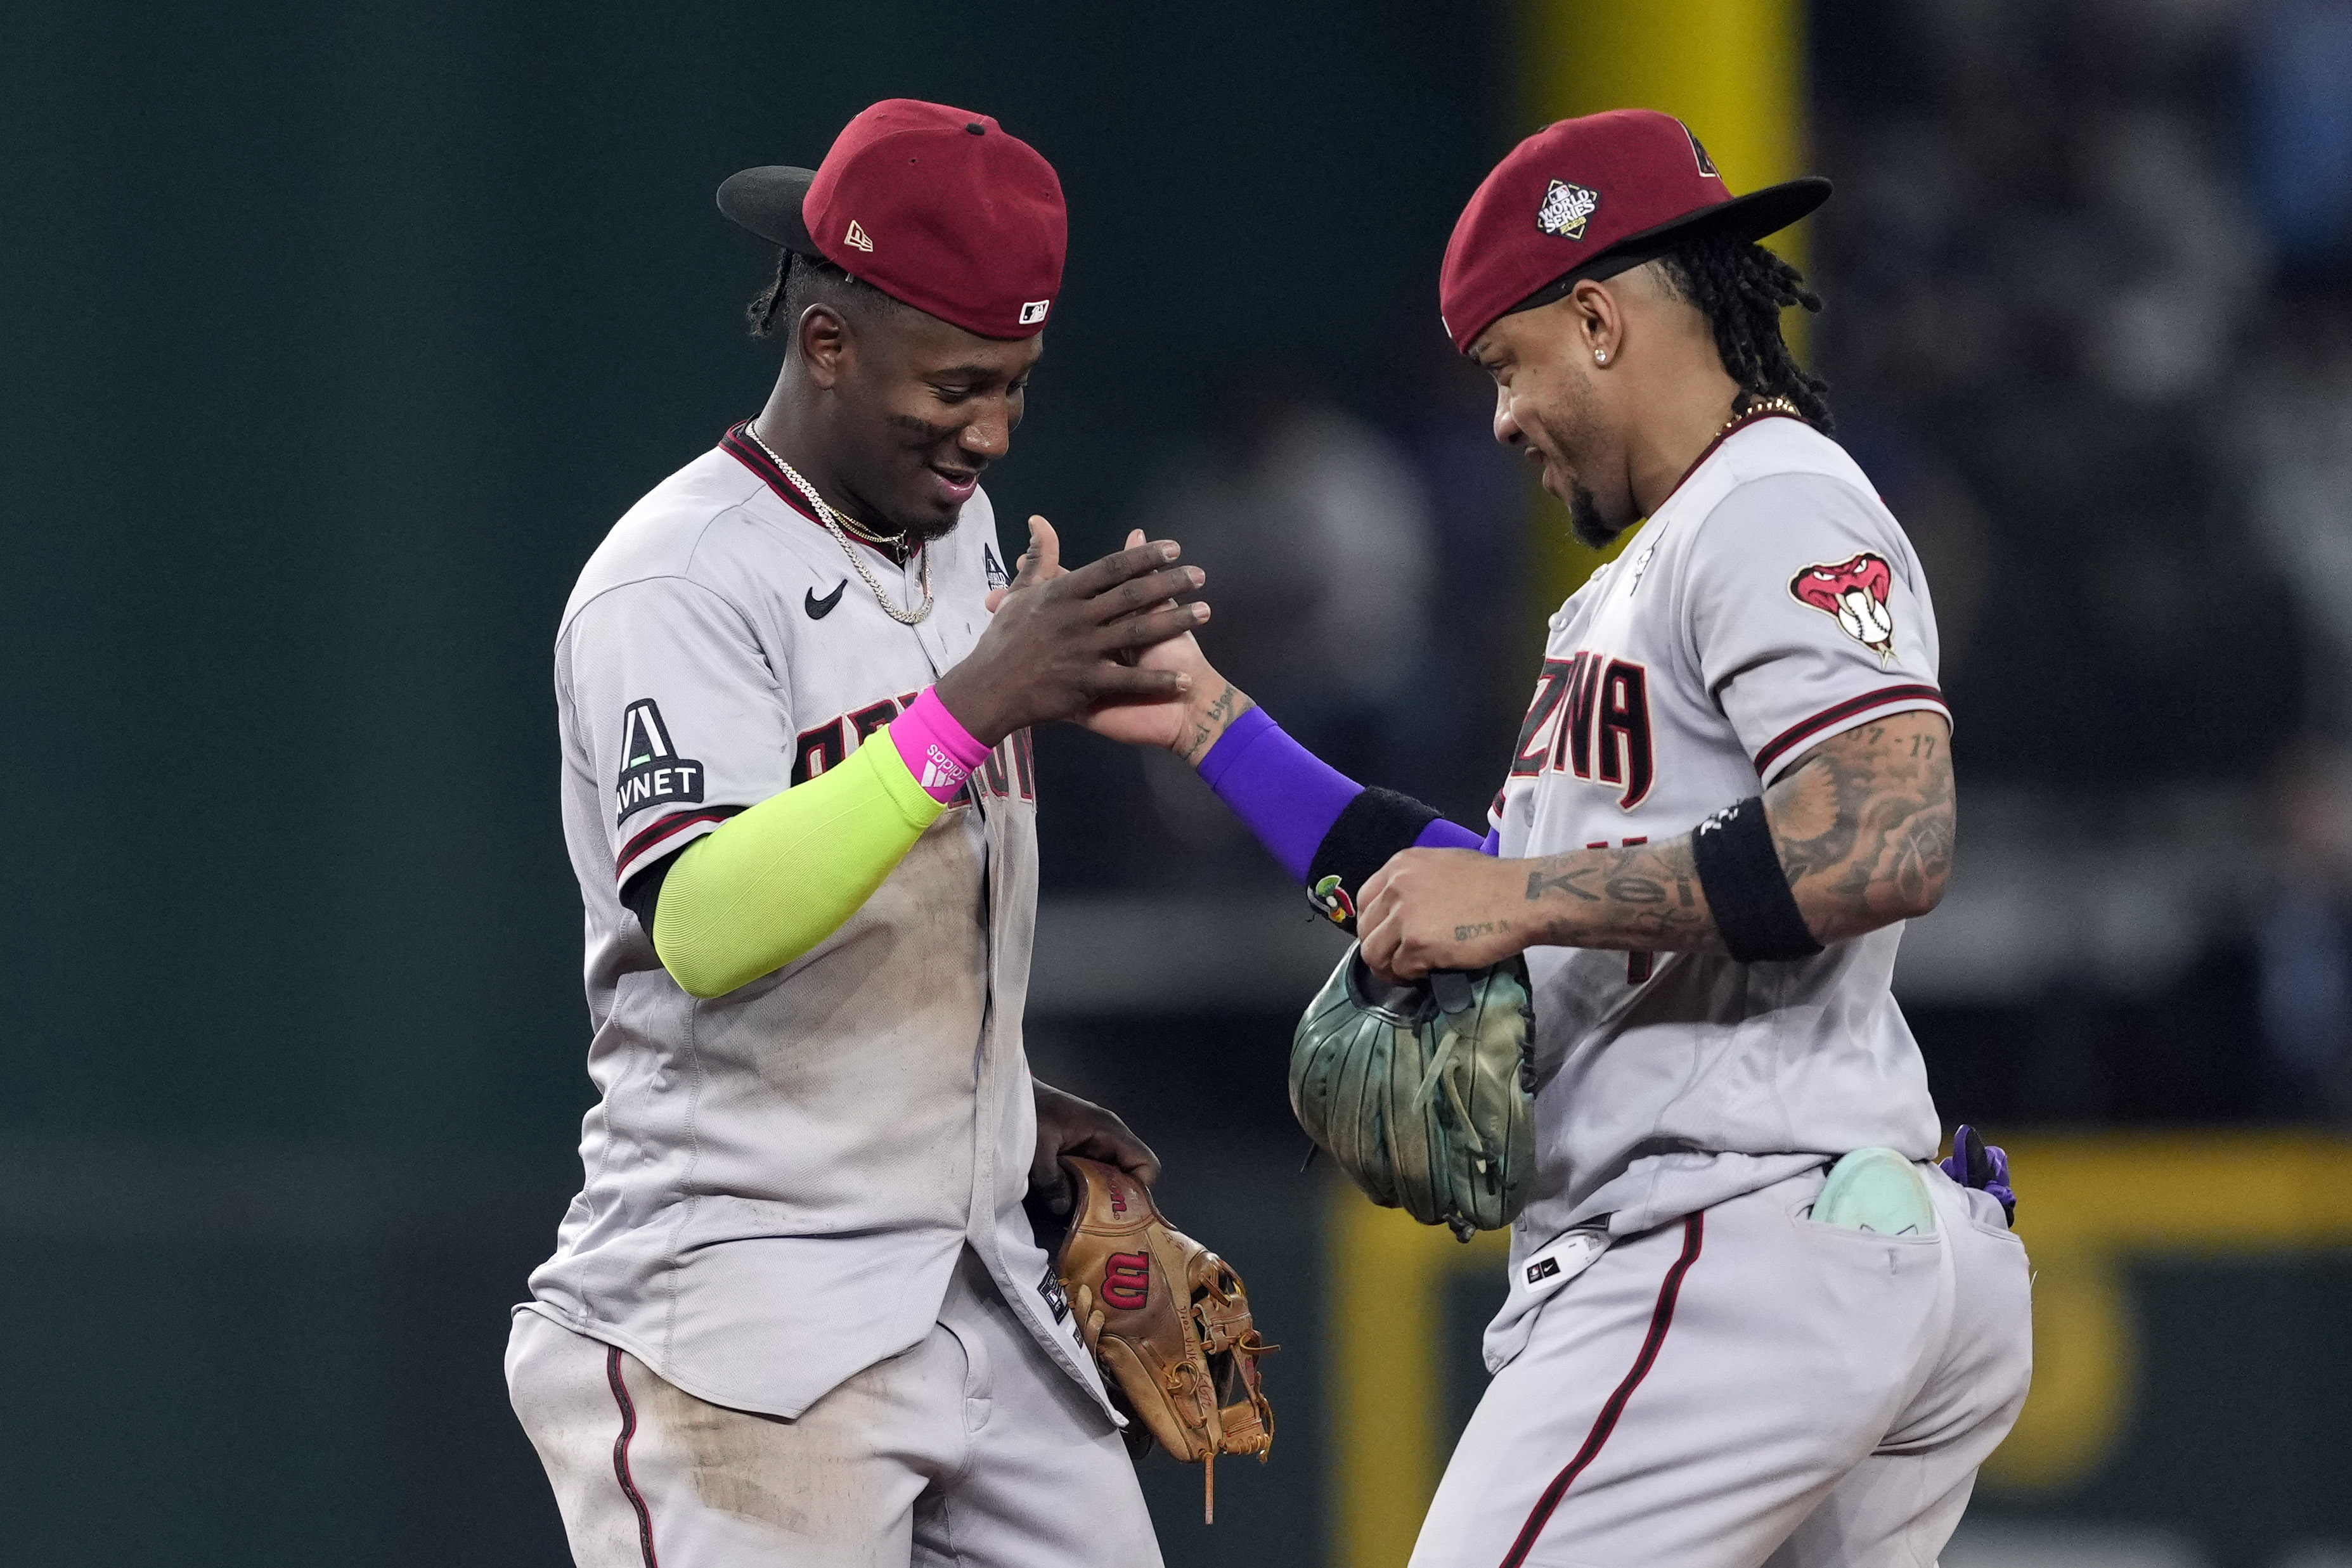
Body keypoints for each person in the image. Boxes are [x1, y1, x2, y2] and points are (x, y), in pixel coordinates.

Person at [1089, 110, 2033, 1565]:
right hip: (1812, 1237)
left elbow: (1881, 838)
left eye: (1505, 362)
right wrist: (1219, 727)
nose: (1498, 418)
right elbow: (1471, 887)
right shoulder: (1652, 572)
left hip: (1733, 1237)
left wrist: (1521, 898)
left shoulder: (1768, 498)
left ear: (1595, 318)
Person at [504, 99, 1208, 1567]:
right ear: (827, 344)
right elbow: (701, 924)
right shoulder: (679, 579)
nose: (992, 430)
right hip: (740, 1319)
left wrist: (989, 1100)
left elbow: (896, 886)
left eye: (1015, 383)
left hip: (973, 1290)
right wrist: (966, 711)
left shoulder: (952, 530)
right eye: (957, 384)